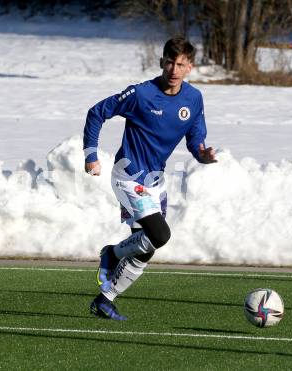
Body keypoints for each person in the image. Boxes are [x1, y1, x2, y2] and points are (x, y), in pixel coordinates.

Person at [83, 36, 217, 320]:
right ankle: (113, 254)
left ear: (190, 67)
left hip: (156, 181)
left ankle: (105, 300)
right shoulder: (141, 94)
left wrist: (202, 153)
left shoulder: (193, 99)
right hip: (128, 177)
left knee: (146, 247)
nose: (174, 69)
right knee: (160, 234)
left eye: (180, 64)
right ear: (161, 62)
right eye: (169, 62)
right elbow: (97, 113)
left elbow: (195, 138)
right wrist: (91, 155)